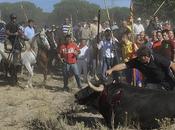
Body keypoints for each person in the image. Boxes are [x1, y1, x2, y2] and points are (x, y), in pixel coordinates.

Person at [106, 46, 175, 91]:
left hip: (165, 81)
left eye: (142, 57)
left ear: (147, 56)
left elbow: (172, 65)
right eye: (139, 57)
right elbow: (124, 65)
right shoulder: (137, 61)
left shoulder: (157, 58)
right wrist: (111, 69)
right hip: (151, 83)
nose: (139, 59)